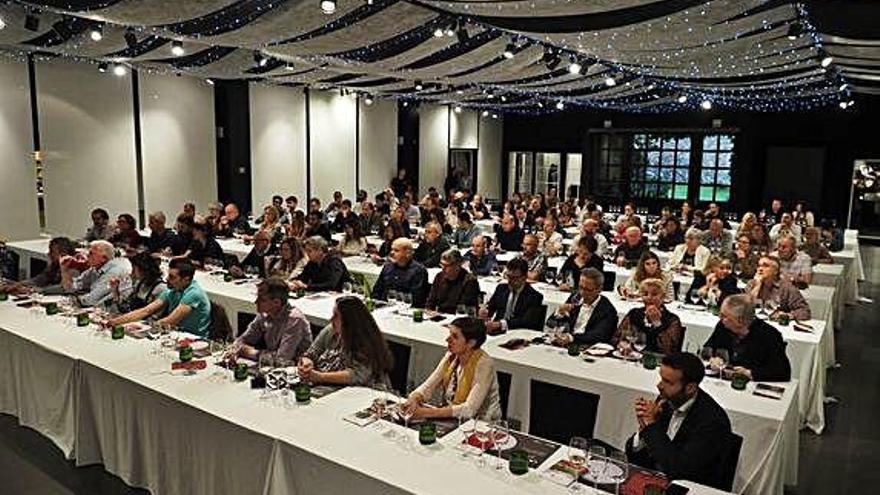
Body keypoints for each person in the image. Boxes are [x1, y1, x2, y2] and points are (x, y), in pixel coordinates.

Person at [625, 353, 734, 490]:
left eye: (668, 382)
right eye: (661, 378)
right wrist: (643, 428)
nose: (659, 386)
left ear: (690, 388)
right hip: (655, 482)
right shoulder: (667, 400)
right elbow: (633, 456)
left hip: (691, 488)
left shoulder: (713, 422)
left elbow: (678, 470)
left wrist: (651, 426)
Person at [403, 317, 502, 421]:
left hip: (482, 424)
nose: (447, 339)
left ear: (471, 343)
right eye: (450, 334)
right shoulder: (451, 356)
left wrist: (426, 412)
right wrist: (414, 398)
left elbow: (469, 409)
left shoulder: (484, 364)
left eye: (454, 336)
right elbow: (428, 386)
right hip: (454, 419)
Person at [298, 296, 394, 389]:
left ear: (349, 321)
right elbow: (312, 352)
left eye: (336, 316)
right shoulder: (331, 330)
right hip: (328, 386)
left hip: (361, 391)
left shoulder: (364, 341)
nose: (331, 319)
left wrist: (320, 377)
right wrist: (307, 363)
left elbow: (357, 375)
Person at [107, 259, 212, 338]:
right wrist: (115, 322)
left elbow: (170, 321)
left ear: (186, 279)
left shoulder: (194, 293)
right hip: (174, 334)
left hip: (193, 338)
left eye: (172, 277)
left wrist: (135, 326)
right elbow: (146, 311)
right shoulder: (172, 289)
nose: (167, 279)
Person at [703, 294, 792, 381]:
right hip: (723, 380)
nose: (720, 318)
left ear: (740, 320)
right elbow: (707, 349)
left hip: (750, 385)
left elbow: (782, 371)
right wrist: (713, 359)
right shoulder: (722, 327)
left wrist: (750, 373)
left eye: (724, 316)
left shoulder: (769, 335)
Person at [232, 278, 312, 364]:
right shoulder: (265, 314)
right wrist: (234, 349)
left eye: (262, 299)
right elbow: (244, 339)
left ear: (276, 302)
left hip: (294, 370)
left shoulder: (295, 319)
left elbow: (282, 359)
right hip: (270, 365)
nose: (256, 302)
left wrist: (252, 353)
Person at [546, 268, 618, 346]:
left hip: (586, 347)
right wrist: (559, 312)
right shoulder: (575, 297)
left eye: (587, 290)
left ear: (599, 289)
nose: (582, 293)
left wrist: (571, 338)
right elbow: (550, 323)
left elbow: (598, 336)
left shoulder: (607, 310)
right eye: (580, 287)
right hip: (565, 344)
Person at [613, 278, 684, 355]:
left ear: (663, 297)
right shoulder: (634, 313)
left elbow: (668, 350)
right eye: (645, 294)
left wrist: (657, 323)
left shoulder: (672, 320)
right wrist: (622, 344)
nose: (649, 298)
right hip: (632, 356)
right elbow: (616, 338)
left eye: (654, 294)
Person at [480, 258, 544, 334]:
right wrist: (485, 312)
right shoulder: (501, 288)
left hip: (518, 333)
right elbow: (490, 308)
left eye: (515, 278)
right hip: (495, 330)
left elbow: (526, 322)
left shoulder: (534, 296)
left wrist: (501, 324)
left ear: (524, 277)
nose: (510, 281)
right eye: (508, 276)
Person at [61, 240, 131, 307]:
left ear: (104, 258)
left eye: (91, 253)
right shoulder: (95, 268)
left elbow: (90, 300)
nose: (87, 256)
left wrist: (73, 299)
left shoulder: (115, 271)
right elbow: (71, 288)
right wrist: (64, 269)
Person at [0, 237, 77, 295]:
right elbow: (40, 279)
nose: (48, 254)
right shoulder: (55, 265)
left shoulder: (73, 267)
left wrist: (36, 290)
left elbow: (64, 288)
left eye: (52, 252)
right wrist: (19, 284)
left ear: (62, 253)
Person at [745, 256, 811, 321]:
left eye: (765, 266)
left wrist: (787, 315)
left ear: (775, 271)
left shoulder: (786, 288)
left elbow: (805, 311)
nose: (760, 269)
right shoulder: (752, 284)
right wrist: (757, 285)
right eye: (759, 266)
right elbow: (745, 307)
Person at [372, 238, 429, 307]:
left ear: (408, 253)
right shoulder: (387, 267)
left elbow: (417, 300)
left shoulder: (418, 271)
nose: (392, 253)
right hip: (385, 307)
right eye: (392, 249)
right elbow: (377, 291)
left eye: (396, 250)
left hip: (407, 309)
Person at [425, 249, 481, 314]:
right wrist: (430, 311)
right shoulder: (439, 276)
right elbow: (430, 302)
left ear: (457, 265)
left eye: (446, 266)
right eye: (441, 265)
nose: (443, 268)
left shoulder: (470, 281)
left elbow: (463, 309)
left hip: (457, 318)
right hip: (439, 316)